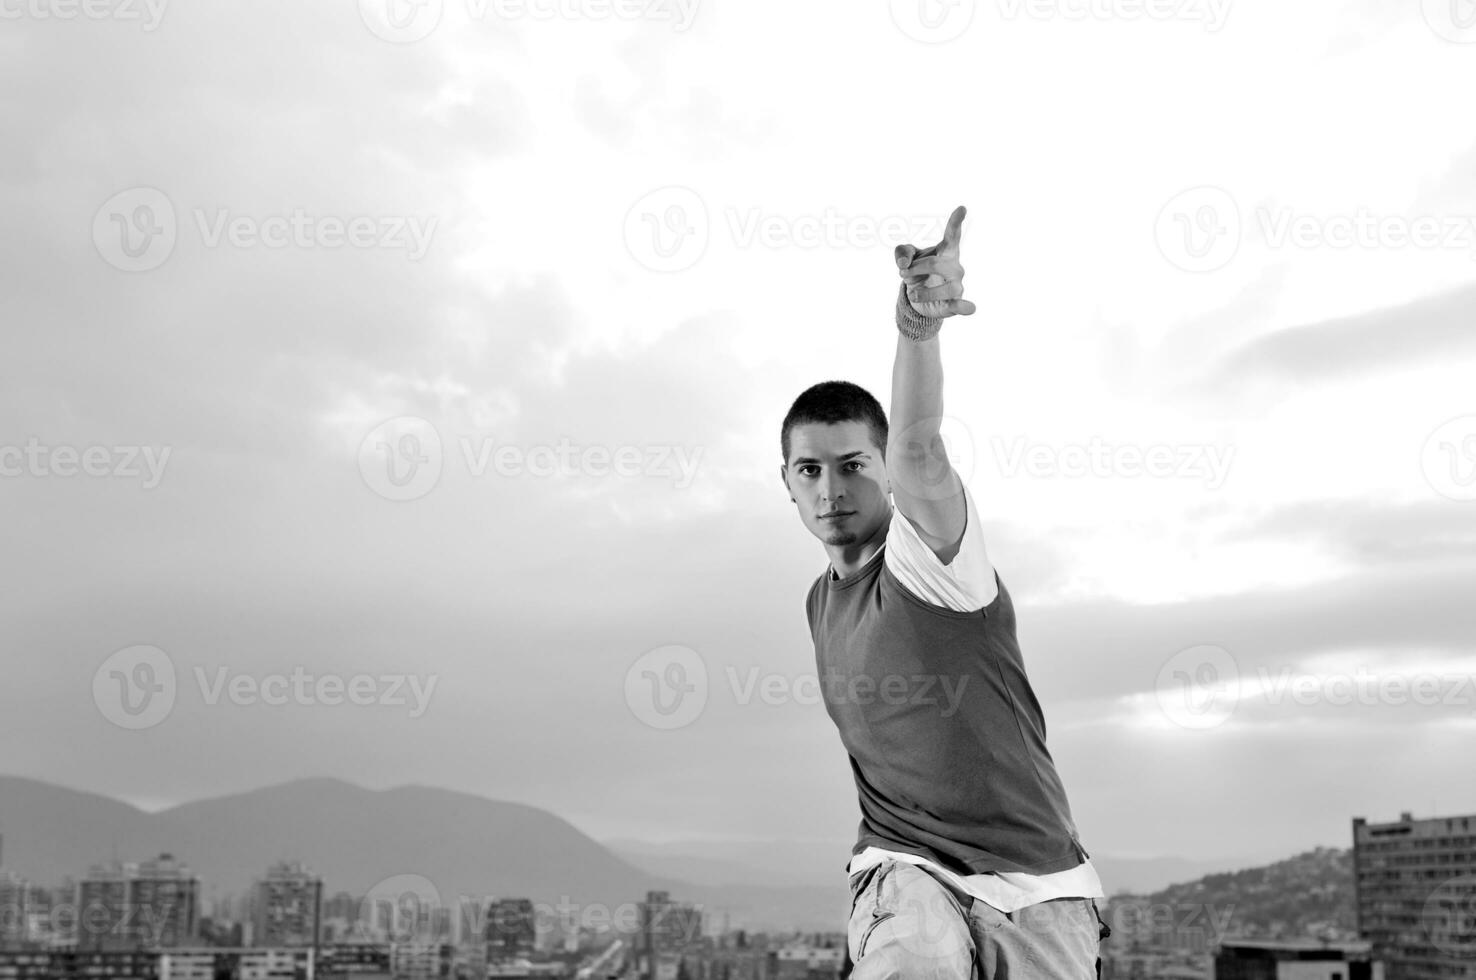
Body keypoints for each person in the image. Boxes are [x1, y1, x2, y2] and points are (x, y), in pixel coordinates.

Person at [779, 206, 1111, 979]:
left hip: (1041, 884)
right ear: (788, 484)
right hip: (906, 870)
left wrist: (918, 333)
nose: (831, 489)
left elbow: (922, 448)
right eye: (810, 470)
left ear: (885, 469)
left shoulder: (930, 556)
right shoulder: (819, 601)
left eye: (854, 464)